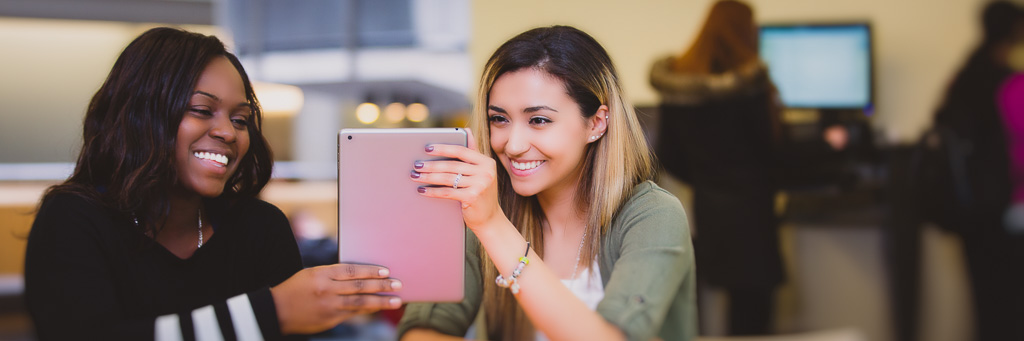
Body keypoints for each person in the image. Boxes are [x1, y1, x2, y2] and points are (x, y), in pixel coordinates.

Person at [24, 27, 401, 340]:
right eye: (202, 111)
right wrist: (273, 312)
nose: (227, 132)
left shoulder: (260, 226)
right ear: (140, 114)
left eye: (240, 120)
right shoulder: (73, 219)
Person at [396, 25, 696, 341]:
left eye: (538, 120)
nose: (512, 145)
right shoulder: (481, 212)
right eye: (499, 119)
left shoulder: (653, 215)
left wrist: (493, 225)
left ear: (596, 122)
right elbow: (423, 330)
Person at [648, 0, 782, 335]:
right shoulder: (752, 88)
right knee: (751, 317)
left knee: (694, 310)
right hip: (753, 214)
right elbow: (774, 152)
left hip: (706, 211)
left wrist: (708, 178)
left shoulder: (678, 89)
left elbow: (668, 155)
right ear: (744, 32)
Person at [930, 2, 1024, 339]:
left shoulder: (962, 79)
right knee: (1013, 315)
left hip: (969, 213)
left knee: (986, 311)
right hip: (1010, 215)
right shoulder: (1013, 85)